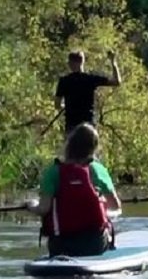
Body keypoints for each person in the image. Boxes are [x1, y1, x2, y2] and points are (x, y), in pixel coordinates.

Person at [27, 123, 122, 256]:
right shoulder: (98, 170)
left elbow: (43, 209)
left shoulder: (53, 172)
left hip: (60, 246)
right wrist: (103, 212)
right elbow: (116, 207)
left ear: (69, 146)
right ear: (93, 148)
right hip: (95, 245)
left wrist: (31, 205)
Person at [54, 50, 122, 137]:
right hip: (88, 125)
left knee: (70, 150)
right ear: (82, 62)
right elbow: (116, 82)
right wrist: (113, 62)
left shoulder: (64, 81)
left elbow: (57, 105)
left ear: (71, 63)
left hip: (71, 126)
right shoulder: (90, 79)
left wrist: (65, 106)